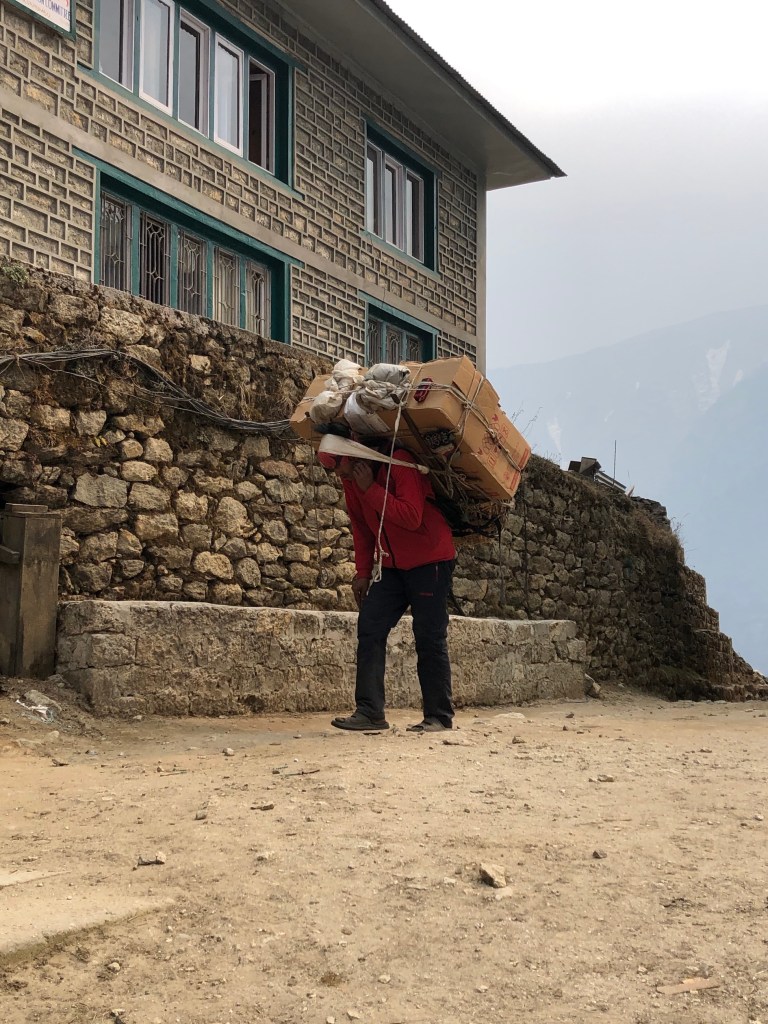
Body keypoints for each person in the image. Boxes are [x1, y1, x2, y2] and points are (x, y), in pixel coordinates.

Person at [319, 438, 456, 733]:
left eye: (337, 463)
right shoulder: (352, 481)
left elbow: (411, 516)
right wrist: (363, 572)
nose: (337, 473)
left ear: (352, 453)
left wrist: (371, 489)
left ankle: (439, 716)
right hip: (392, 566)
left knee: (429, 636)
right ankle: (370, 713)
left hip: (430, 559)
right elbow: (361, 527)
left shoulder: (401, 461)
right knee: (370, 625)